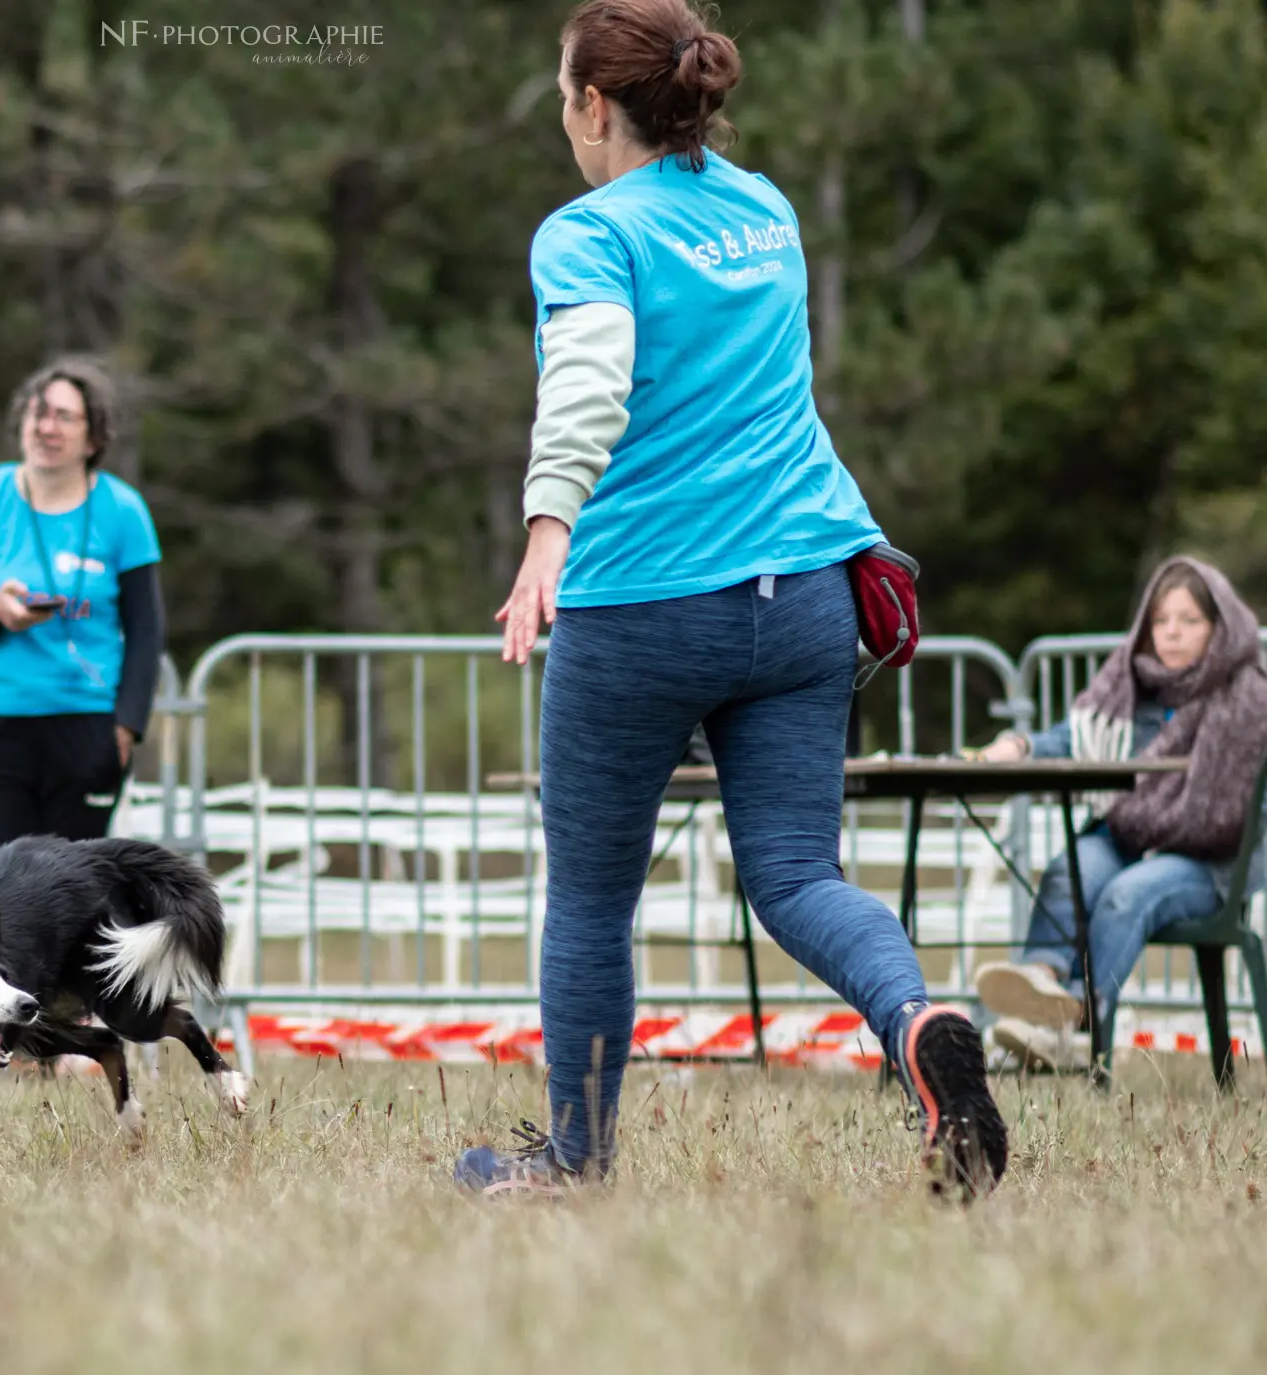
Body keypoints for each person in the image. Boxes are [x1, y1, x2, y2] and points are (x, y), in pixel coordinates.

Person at [454, 0, 1008, 1197]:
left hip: (646, 601)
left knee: (593, 898)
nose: (562, 113)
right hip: (802, 593)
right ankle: (915, 1023)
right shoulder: (764, 212)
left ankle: (574, 1161)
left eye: (563, 92)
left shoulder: (586, 232)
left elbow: (593, 382)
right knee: (799, 878)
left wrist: (547, 526)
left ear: (594, 105)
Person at [973, 557, 1267, 1070]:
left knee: (1126, 894)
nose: (1171, 632)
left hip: (1213, 859)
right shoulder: (1129, 684)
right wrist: (1018, 745)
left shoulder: (1250, 697)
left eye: (1189, 620)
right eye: (1161, 620)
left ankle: (1076, 1030)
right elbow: (1071, 739)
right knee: (1073, 868)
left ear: (1221, 627)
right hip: (1128, 836)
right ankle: (1040, 984)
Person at [0, 356, 165, 878]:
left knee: (68, 893)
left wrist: (127, 726)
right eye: (37, 413)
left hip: (83, 723)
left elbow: (146, 629)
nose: (45, 426)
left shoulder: (123, 511)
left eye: (62, 416)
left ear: (93, 436)